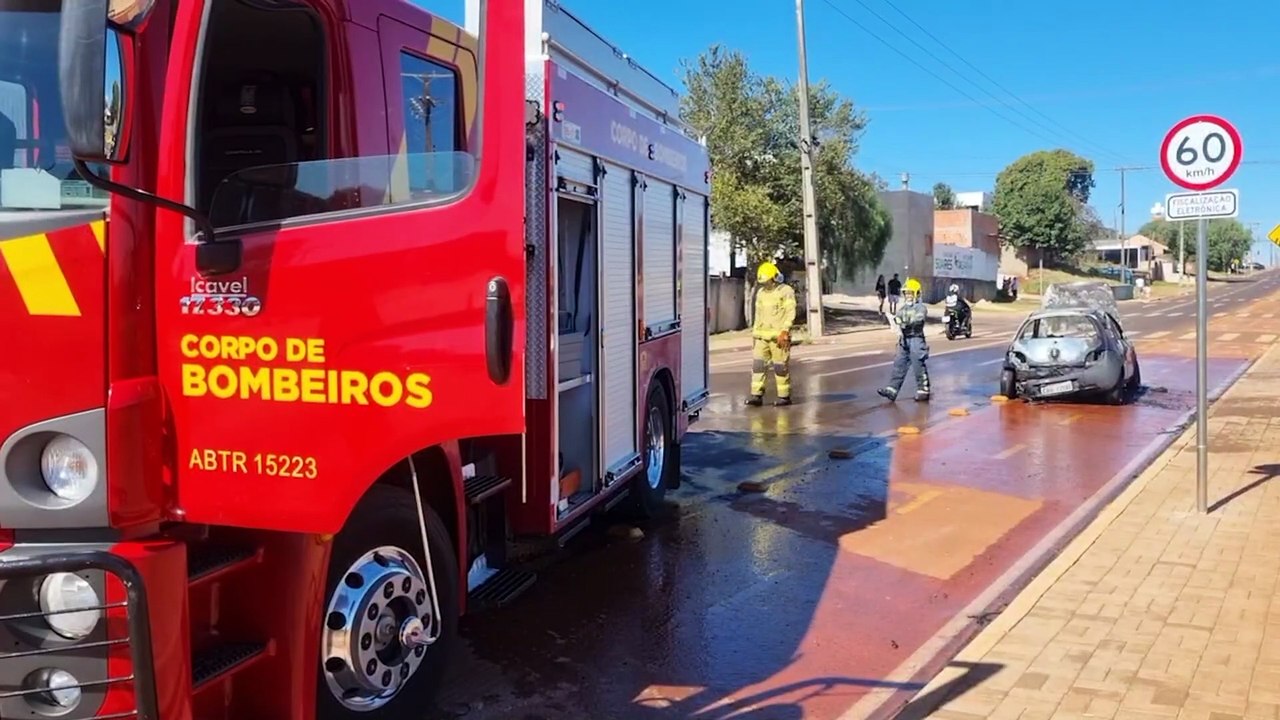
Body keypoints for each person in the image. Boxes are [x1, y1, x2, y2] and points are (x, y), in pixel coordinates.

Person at [746, 261, 796, 407]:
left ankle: (784, 397)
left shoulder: (785, 291)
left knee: (780, 367)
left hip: (778, 338)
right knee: (758, 366)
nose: (765, 284)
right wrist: (755, 335)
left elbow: (790, 312)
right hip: (761, 338)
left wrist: (785, 330)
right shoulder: (761, 293)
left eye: (767, 281)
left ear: (774, 278)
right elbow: (758, 315)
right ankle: (756, 395)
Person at [878, 277, 930, 402]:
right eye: (906, 293)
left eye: (910, 293)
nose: (908, 296)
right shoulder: (903, 309)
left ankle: (923, 389)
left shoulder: (920, 308)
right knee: (899, 363)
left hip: (916, 339)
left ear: (916, 294)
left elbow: (918, 319)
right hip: (904, 339)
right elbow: (898, 318)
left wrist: (905, 321)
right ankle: (892, 389)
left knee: (918, 364)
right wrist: (894, 321)